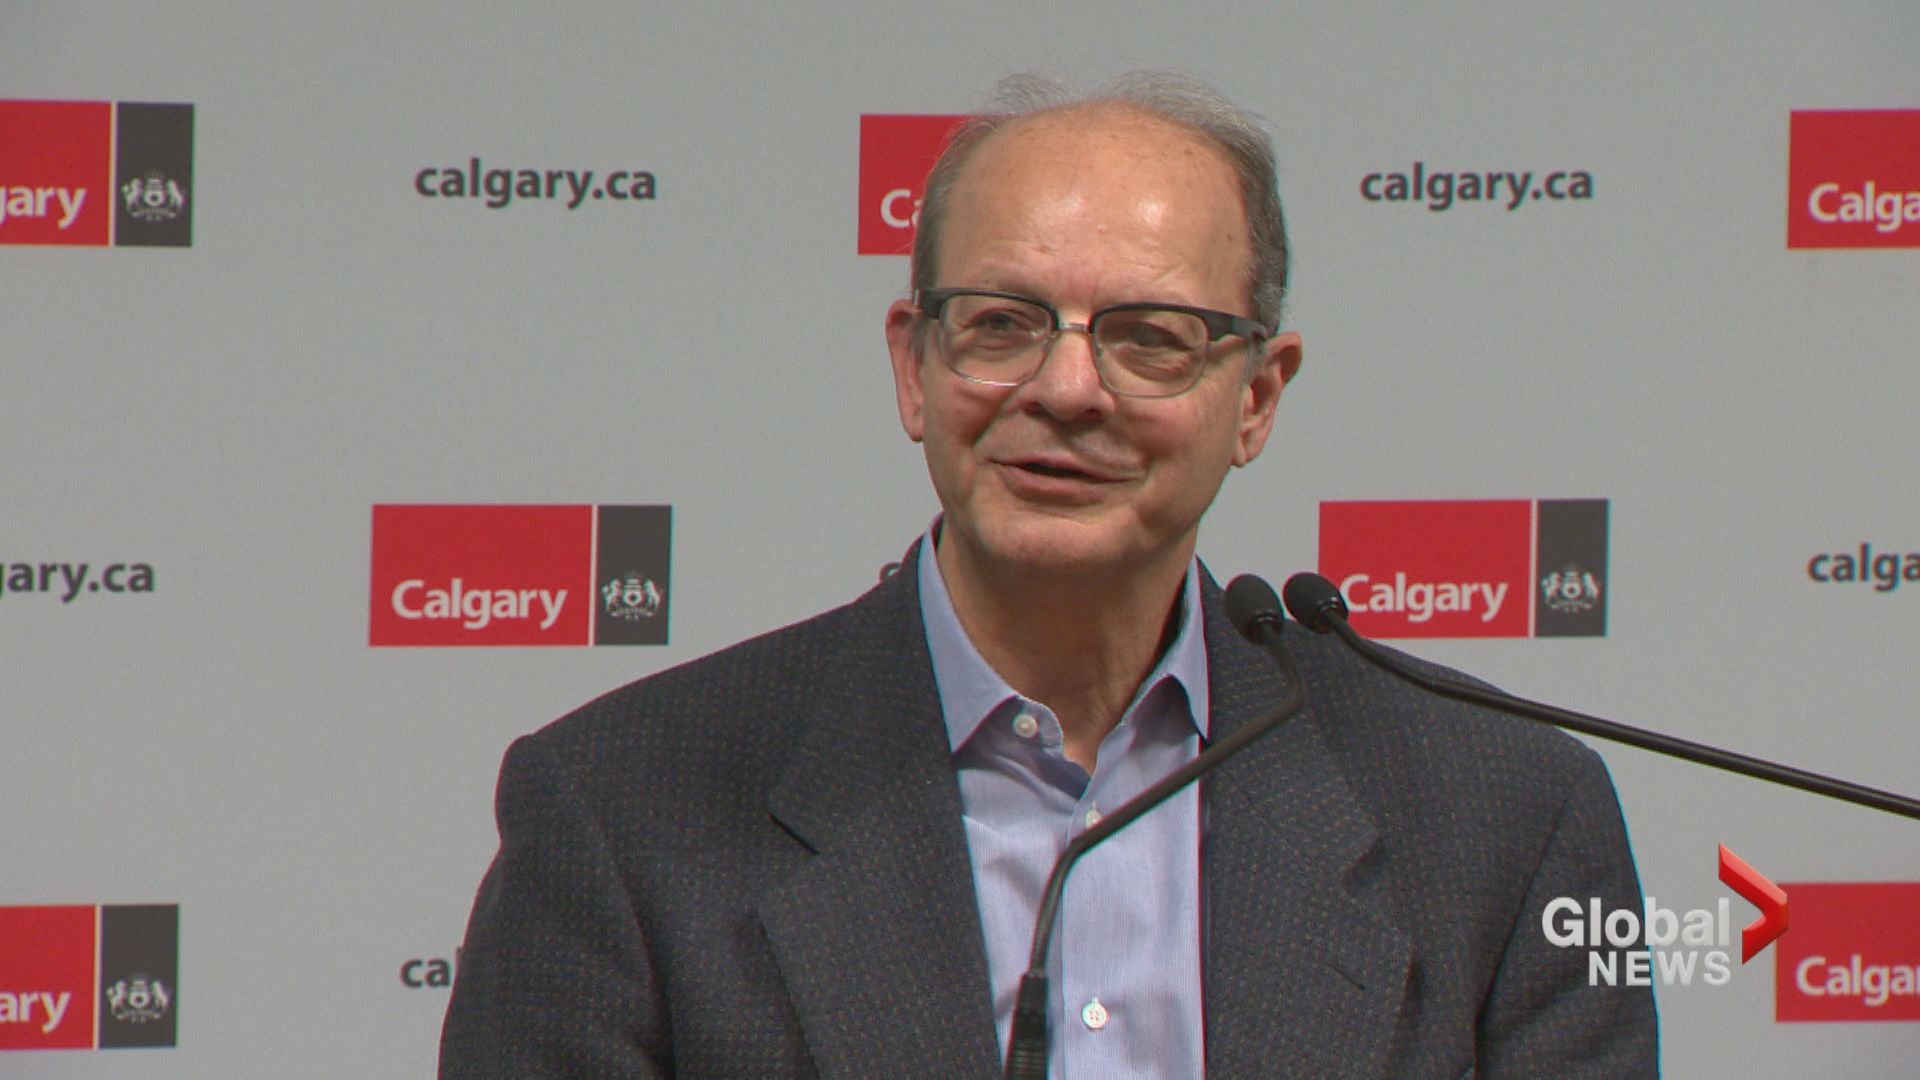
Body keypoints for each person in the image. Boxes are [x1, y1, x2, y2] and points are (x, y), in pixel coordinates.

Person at [439, 72, 1657, 1078]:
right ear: (915, 370)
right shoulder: (621, 812)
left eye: (1150, 338)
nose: (1068, 390)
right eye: (1003, 324)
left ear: (1257, 397)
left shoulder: (1503, 817)